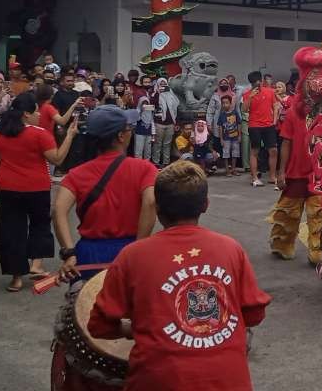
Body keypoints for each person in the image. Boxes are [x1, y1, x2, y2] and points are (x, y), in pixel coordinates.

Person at [87, 161, 272, 390]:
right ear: (205, 205)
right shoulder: (231, 249)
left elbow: (98, 325)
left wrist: (133, 328)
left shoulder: (132, 256)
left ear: (157, 209)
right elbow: (254, 314)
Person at [54, 106, 157, 281]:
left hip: (88, 254)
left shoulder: (76, 174)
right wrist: (139, 246)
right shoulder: (144, 169)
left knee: (86, 304)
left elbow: (58, 211)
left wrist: (69, 253)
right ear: (120, 136)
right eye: (128, 128)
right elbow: (150, 202)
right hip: (129, 249)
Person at [0, 93, 77, 292]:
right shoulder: (39, 134)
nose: (39, 115)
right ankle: (36, 264)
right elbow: (57, 159)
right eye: (35, 111)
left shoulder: (0, 135)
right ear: (26, 114)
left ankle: (16, 278)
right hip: (35, 187)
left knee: (12, 231)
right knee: (39, 225)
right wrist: (70, 136)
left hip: (7, 187)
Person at [269, 97, 322, 263]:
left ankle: (317, 251)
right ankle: (282, 245)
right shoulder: (293, 113)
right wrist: (281, 172)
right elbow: (286, 143)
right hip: (295, 174)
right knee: (288, 214)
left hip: (320, 176)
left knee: (319, 217)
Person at [244, 71, 280, 187]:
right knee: (255, 151)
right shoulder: (247, 94)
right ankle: (254, 178)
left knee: (273, 150)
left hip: (269, 125)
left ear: (261, 81)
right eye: (254, 83)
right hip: (254, 125)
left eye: (258, 82)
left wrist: (274, 120)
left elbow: (275, 106)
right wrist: (250, 97)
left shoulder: (270, 92)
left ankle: (272, 176)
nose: (256, 85)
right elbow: (244, 109)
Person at [151, 78, 179, 168]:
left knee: (167, 144)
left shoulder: (171, 95)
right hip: (159, 123)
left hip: (170, 123)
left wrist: (176, 123)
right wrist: (158, 93)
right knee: (157, 144)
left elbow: (176, 107)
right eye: (161, 84)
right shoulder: (155, 94)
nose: (163, 86)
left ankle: (166, 162)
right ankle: (156, 162)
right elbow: (153, 104)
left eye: (164, 84)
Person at [217, 95, 241, 177]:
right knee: (226, 154)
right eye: (223, 103)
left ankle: (234, 169)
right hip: (226, 138)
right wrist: (221, 139)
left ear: (230, 103)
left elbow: (238, 124)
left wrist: (239, 135)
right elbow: (220, 127)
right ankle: (227, 170)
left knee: (235, 153)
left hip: (235, 137)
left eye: (226, 103)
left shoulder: (235, 113)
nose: (225, 105)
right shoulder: (221, 115)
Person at [133, 92, 155, 162]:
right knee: (138, 151)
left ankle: (146, 166)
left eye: (146, 103)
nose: (145, 105)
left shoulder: (150, 112)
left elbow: (152, 122)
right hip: (139, 133)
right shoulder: (137, 111)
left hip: (148, 133)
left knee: (148, 151)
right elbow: (136, 120)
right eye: (143, 103)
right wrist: (141, 111)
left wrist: (153, 134)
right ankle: (138, 166)